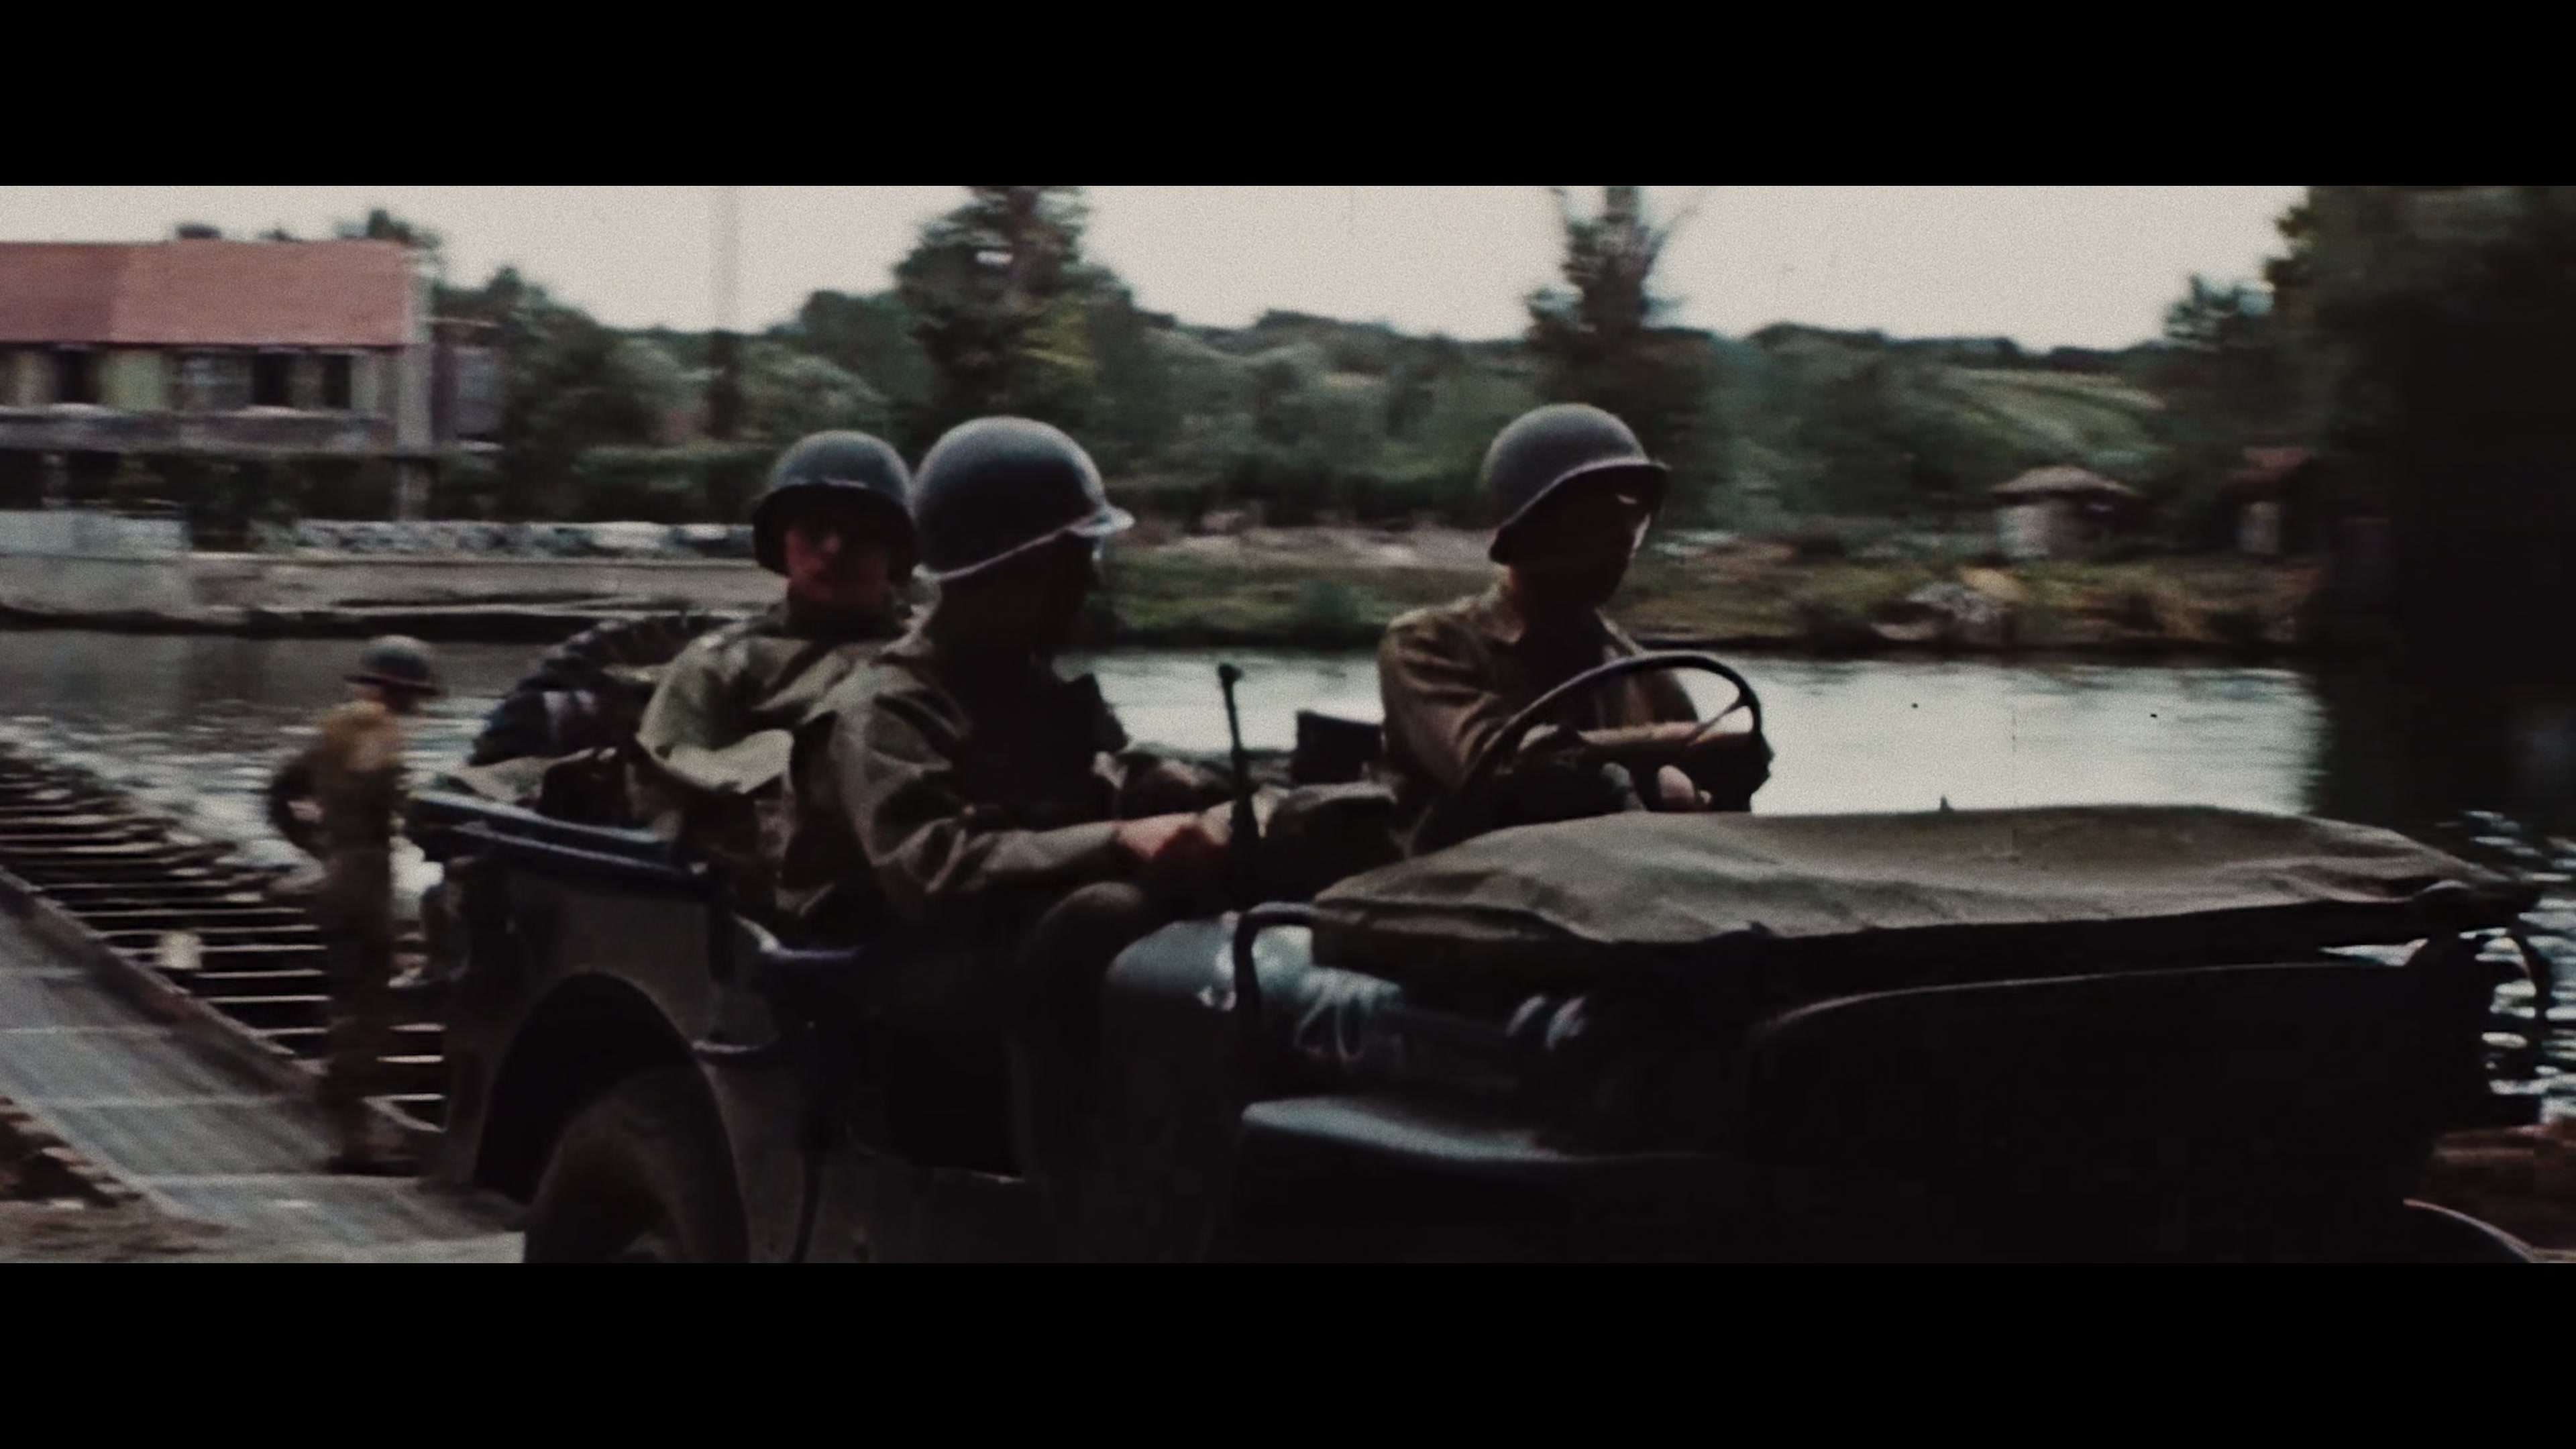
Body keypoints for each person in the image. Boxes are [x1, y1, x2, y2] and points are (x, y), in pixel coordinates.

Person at [792, 416, 1238, 1177]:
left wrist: (1201, 795)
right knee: (1101, 918)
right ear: (1007, 571)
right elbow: (931, 870)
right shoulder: (884, 709)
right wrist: (1117, 840)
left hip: (1001, 947)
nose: (1090, 583)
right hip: (894, 973)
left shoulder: (1026, 684)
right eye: (1073, 562)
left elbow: (1102, 774)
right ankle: (1073, 1195)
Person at [1377, 403, 1772, 854]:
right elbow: (1491, 766)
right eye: (1593, 521)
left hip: (1607, 888)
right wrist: (1664, 745)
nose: (1621, 540)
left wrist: (1725, 781)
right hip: (1457, 887)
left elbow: (1714, 826)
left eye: (1633, 519)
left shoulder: (1642, 674)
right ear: (1527, 535)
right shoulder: (1427, 645)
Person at [627, 430, 920, 903]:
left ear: (896, 550)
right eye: (814, 529)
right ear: (781, 541)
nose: (833, 548)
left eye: (861, 533)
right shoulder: (722, 662)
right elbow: (664, 793)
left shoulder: (935, 655)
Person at [264, 635, 441, 1174]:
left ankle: (351, 1131)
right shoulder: (379, 732)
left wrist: (318, 848)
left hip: (340, 873)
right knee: (367, 1009)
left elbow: (279, 793)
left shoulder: (330, 727)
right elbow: (404, 806)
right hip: (366, 882)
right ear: (400, 691)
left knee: (350, 995)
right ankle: (353, 1143)